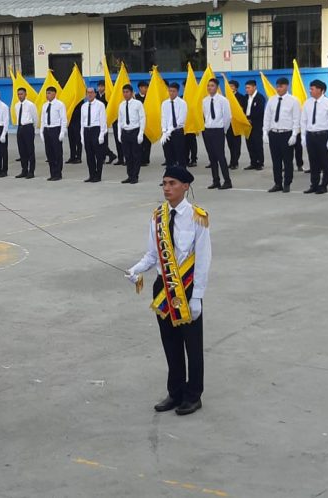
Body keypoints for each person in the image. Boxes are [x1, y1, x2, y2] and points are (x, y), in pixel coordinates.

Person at [127, 166, 210, 416]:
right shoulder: (157, 217)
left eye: (172, 183)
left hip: (187, 287)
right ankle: (175, 392)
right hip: (163, 287)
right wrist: (136, 269)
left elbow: (203, 259)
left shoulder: (198, 217)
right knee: (170, 343)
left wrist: (197, 296)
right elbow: (153, 255)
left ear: (185, 186)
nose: (166, 188)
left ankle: (193, 395)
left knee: (192, 345)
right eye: (164, 183)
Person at [263, 77, 301, 193]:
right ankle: (277, 183)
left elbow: (296, 119)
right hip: (274, 133)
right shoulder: (271, 100)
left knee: (287, 160)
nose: (278, 89)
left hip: (286, 133)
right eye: (277, 86)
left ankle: (287, 183)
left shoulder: (293, 100)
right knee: (276, 161)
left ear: (286, 86)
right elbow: (267, 117)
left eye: (281, 86)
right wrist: (265, 132)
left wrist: (294, 134)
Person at [300, 79, 328, 194]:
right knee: (313, 161)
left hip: (323, 135)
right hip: (311, 135)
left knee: (325, 162)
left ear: (321, 90)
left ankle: (324, 185)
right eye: (310, 89)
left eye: (312, 89)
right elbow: (303, 120)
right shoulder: (307, 103)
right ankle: (314, 184)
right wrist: (303, 136)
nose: (310, 91)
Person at [202, 79, 233, 190]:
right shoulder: (205, 100)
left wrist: (223, 129)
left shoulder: (223, 100)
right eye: (208, 86)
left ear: (217, 87)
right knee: (212, 157)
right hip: (208, 130)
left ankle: (227, 181)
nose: (209, 88)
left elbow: (227, 117)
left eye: (212, 85)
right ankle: (216, 180)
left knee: (220, 156)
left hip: (218, 130)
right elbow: (205, 115)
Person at [118, 85, 145, 184]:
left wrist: (141, 133)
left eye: (127, 92)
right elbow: (120, 120)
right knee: (127, 156)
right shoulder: (121, 105)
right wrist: (119, 133)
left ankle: (135, 176)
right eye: (124, 92)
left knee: (136, 155)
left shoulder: (138, 103)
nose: (125, 94)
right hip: (125, 132)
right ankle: (129, 175)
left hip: (135, 131)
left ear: (132, 92)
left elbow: (142, 118)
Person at [41, 86, 68, 181]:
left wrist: (62, 132)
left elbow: (63, 119)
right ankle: (52, 173)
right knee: (49, 153)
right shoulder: (45, 105)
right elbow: (43, 119)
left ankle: (58, 173)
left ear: (54, 94)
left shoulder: (60, 104)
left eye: (49, 93)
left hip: (55, 129)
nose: (47, 95)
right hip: (47, 130)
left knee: (57, 152)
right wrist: (42, 131)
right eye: (46, 93)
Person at [81, 87, 107, 182]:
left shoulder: (100, 105)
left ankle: (98, 175)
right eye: (88, 92)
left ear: (95, 94)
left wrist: (102, 134)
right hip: (86, 130)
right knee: (89, 155)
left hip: (96, 129)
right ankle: (91, 174)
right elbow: (82, 122)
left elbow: (103, 120)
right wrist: (82, 136)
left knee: (98, 155)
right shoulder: (84, 106)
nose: (90, 94)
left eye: (91, 92)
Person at [161, 83, 187, 169]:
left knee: (180, 154)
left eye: (173, 91)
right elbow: (163, 117)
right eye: (170, 91)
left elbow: (181, 119)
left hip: (177, 131)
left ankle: (182, 174)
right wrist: (164, 131)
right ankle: (170, 175)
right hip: (167, 133)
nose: (171, 93)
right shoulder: (165, 103)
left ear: (177, 92)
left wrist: (170, 129)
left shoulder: (182, 103)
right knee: (168, 155)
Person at [13, 87, 38, 178]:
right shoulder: (16, 105)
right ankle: (24, 170)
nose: (20, 96)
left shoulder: (30, 105)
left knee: (30, 150)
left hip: (28, 127)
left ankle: (31, 171)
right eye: (18, 94)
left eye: (21, 94)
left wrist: (33, 128)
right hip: (20, 128)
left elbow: (35, 117)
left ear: (25, 94)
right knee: (22, 150)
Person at [241, 80, 266, 171]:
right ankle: (253, 162)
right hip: (247, 124)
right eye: (246, 88)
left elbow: (260, 111)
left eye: (248, 87)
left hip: (256, 124)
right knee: (249, 143)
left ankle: (260, 163)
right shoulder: (245, 97)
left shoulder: (260, 97)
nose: (247, 89)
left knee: (257, 143)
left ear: (254, 87)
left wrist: (251, 118)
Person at [226, 80, 244, 169]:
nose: (230, 88)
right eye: (229, 86)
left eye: (232, 86)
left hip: (237, 124)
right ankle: (232, 161)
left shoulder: (241, 97)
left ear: (236, 87)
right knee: (230, 144)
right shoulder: (226, 97)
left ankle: (235, 162)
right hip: (228, 124)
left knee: (236, 144)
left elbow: (243, 110)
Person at [137, 80, 152, 165]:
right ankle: (140, 158)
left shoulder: (150, 97)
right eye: (144, 87)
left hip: (148, 122)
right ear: (140, 88)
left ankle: (146, 159)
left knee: (147, 142)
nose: (146, 89)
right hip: (139, 122)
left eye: (147, 87)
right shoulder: (135, 97)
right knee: (140, 142)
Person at [67, 97, 84, 165]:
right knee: (71, 140)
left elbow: (80, 111)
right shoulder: (70, 99)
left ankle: (79, 157)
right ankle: (72, 156)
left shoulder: (80, 100)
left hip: (77, 122)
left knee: (78, 140)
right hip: (70, 122)